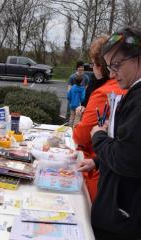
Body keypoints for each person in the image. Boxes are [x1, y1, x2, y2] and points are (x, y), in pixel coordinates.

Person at [78, 27, 141, 239]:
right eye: (108, 66)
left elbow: (127, 159)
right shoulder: (133, 93)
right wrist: (98, 161)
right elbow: (130, 145)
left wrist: (98, 137)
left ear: (137, 58)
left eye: (116, 65)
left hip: (124, 218)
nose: (112, 74)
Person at [74, 35, 126, 202]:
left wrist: (86, 128)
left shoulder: (104, 92)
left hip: (101, 175)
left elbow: (81, 136)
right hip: (105, 165)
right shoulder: (125, 87)